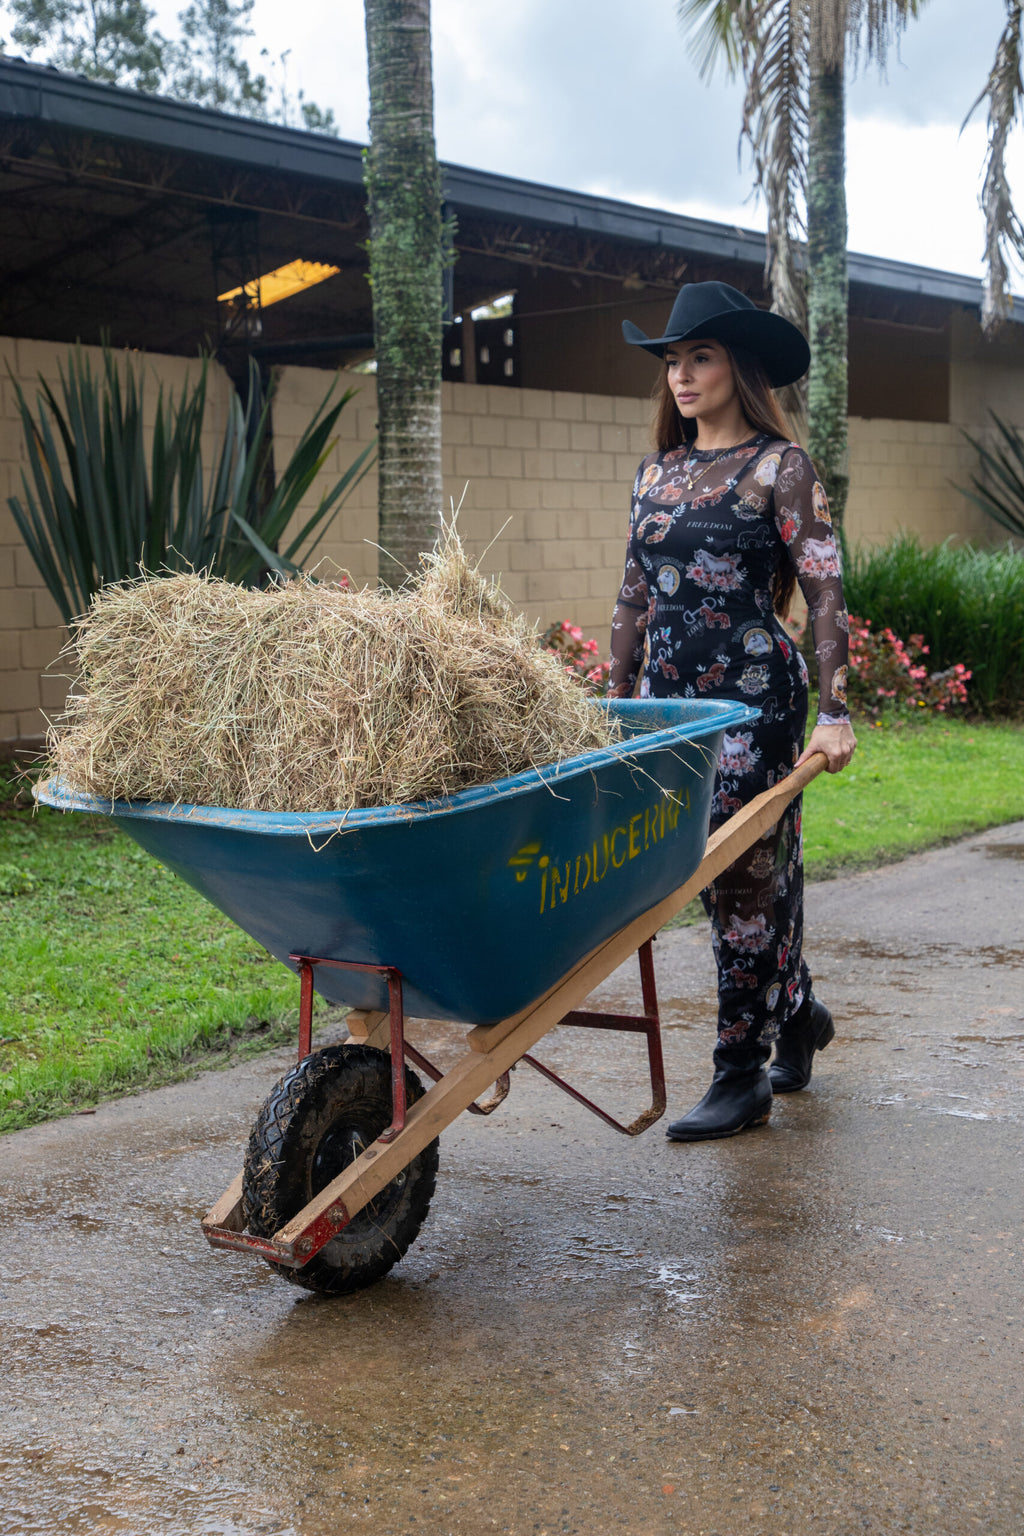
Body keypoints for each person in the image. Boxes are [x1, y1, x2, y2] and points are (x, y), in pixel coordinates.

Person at [610, 280, 856, 1142]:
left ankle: (739, 1075)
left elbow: (825, 593)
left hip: (755, 702)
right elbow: (634, 598)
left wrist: (835, 712)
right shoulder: (656, 474)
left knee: (743, 871)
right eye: (673, 360)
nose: (681, 375)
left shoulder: (779, 467)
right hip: (667, 710)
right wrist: (612, 699)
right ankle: (796, 1012)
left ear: (738, 368)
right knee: (712, 881)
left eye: (700, 356)